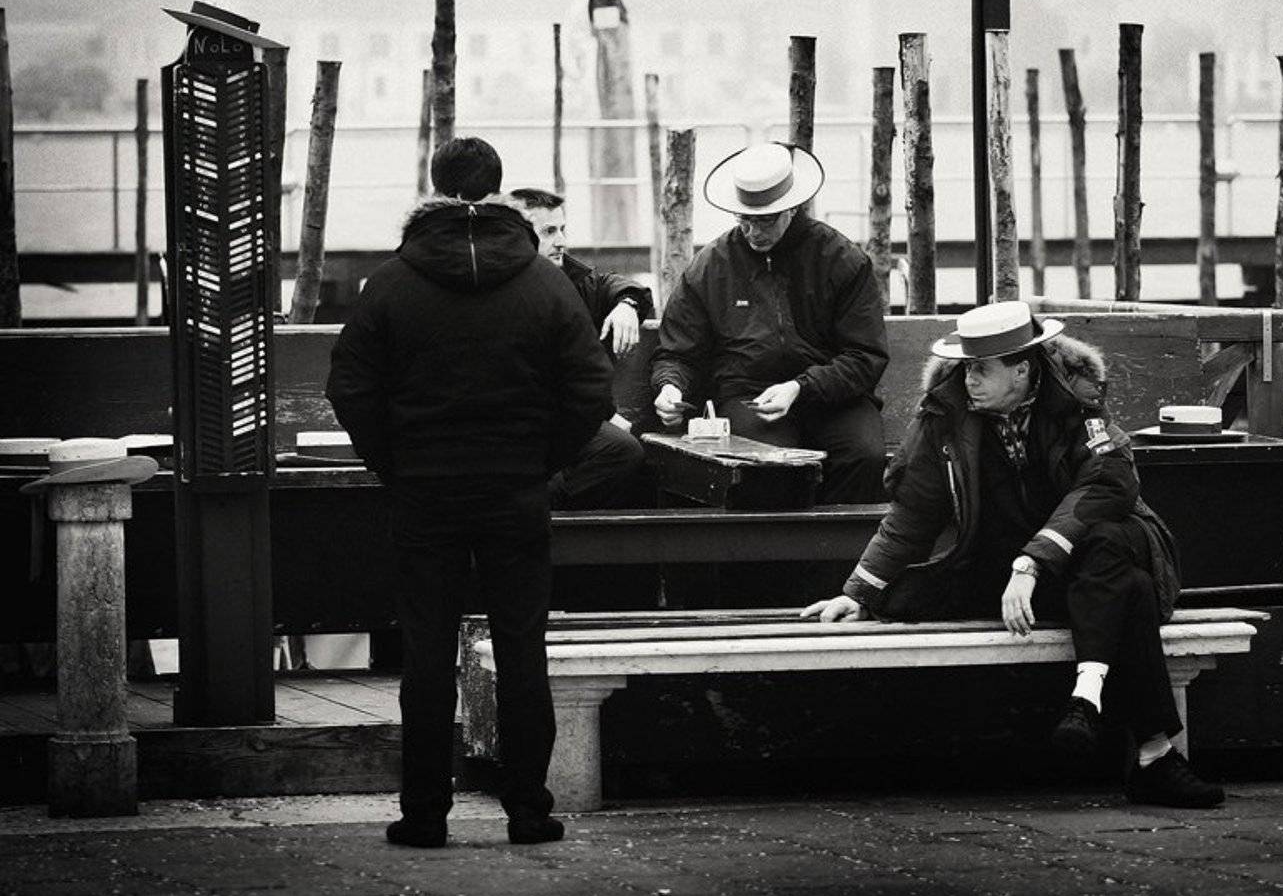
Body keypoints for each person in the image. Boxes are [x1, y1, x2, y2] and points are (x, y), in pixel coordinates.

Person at [802, 300, 1225, 809]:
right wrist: (860, 591)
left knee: (1112, 543)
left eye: (981, 368)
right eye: (963, 367)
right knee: (1125, 588)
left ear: (1022, 369)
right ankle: (1152, 754)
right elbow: (914, 512)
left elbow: (1109, 481)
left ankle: (1093, 704)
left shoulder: (1077, 399)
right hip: (1007, 577)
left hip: (1078, 563)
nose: (969, 379)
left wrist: (1034, 560)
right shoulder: (945, 412)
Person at [327, 137, 614, 847]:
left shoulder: (392, 282)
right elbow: (589, 390)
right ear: (497, 188)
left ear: (433, 184)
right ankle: (528, 810)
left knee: (425, 653)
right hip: (515, 489)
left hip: (425, 490)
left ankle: (424, 814)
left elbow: (350, 388)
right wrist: (541, 461)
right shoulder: (544, 282)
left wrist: (394, 461)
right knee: (522, 648)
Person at [650, 141, 890, 504]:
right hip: (748, 396)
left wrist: (800, 387)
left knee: (865, 456)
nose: (754, 232)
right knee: (761, 466)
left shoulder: (841, 259)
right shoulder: (711, 266)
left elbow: (865, 356)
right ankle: (778, 561)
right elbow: (679, 352)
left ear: (791, 209)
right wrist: (670, 387)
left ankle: (833, 558)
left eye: (765, 220)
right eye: (744, 220)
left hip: (835, 397)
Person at [505, 187, 651, 509]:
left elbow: (617, 285)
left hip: (565, 423)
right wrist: (606, 414)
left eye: (563, 229)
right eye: (548, 232)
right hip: (516, 424)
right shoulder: (501, 291)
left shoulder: (574, 279)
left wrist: (627, 304)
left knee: (624, 451)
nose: (561, 241)